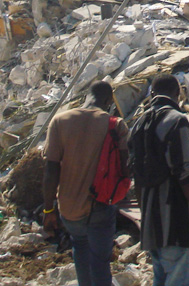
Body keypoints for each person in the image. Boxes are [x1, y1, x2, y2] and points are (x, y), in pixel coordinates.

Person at [128, 75, 189, 286]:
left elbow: (136, 177)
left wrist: (145, 216)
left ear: (152, 94)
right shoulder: (177, 121)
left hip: (152, 222)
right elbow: (185, 175)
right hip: (174, 221)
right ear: (178, 95)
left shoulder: (138, 124)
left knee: (161, 277)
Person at [41, 81, 129, 286]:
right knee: (100, 261)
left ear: (86, 96)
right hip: (100, 203)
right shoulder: (116, 125)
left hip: (69, 208)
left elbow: (50, 171)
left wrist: (48, 211)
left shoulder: (59, 120)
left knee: (80, 248)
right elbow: (124, 169)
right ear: (108, 100)